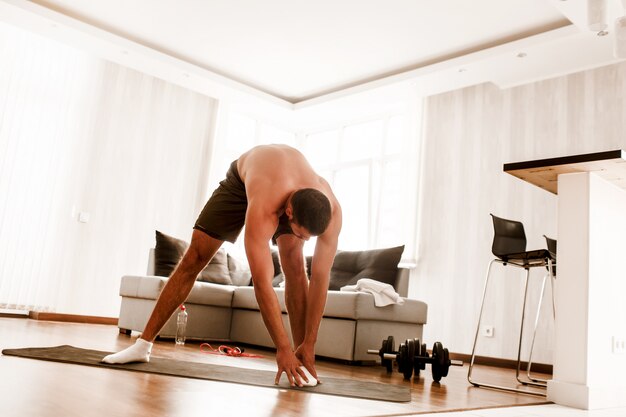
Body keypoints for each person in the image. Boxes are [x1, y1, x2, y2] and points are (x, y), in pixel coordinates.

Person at [102, 144, 342, 388]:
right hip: (244, 181)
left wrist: (310, 344)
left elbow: (321, 279)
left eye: (306, 238)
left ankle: (301, 359)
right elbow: (262, 282)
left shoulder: (332, 210)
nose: (301, 241)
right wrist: (281, 348)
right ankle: (143, 345)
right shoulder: (265, 204)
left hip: (283, 186)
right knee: (195, 257)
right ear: (288, 212)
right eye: (300, 235)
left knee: (296, 268)